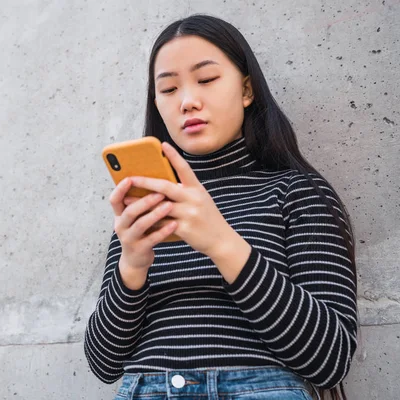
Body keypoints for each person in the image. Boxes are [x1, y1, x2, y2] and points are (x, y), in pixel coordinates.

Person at [84, 14, 358, 400]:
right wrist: (131, 266)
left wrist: (221, 242)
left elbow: (329, 359)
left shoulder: (299, 193)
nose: (187, 101)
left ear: (246, 90)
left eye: (207, 79)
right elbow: (104, 363)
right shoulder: (145, 209)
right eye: (168, 89)